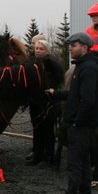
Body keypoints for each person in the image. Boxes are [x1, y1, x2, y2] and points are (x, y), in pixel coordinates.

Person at [46, 32, 98, 194]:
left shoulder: (89, 68)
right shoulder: (82, 66)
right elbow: (75, 94)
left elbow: (88, 99)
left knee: (74, 166)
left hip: (81, 126)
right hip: (82, 124)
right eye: (70, 45)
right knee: (84, 164)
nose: (70, 48)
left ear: (85, 47)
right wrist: (55, 94)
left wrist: (77, 121)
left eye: (74, 45)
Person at [26, 39, 65, 167]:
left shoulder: (52, 63)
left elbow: (59, 79)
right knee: (37, 129)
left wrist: (50, 89)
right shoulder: (33, 62)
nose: (38, 51)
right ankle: (37, 156)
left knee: (48, 130)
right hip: (35, 101)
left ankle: (48, 158)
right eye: (36, 48)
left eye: (41, 49)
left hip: (48, 102)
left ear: (47, 50)